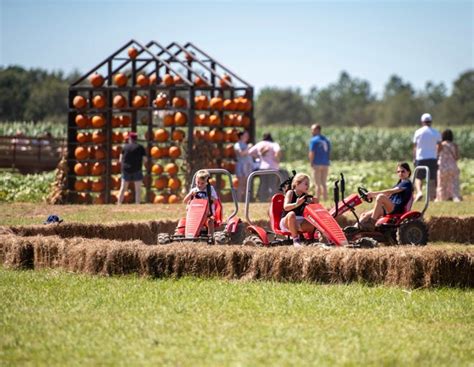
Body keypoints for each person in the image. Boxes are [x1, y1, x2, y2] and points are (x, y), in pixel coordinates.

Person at [358, 162, 414, 230]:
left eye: (403, 171)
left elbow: (390, 191)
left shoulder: (406, 183)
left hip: (396, 208)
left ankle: (372, 223)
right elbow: (388, 195)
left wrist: (372, 194)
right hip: (389, 207)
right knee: (364, 215)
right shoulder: (399, 183)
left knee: (380, 197)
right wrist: (371, 196)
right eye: (398, 172)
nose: (400, 173)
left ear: (408, 172)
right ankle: (353, 232)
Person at [280, 173, 319, 247]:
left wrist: (315, 203)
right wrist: (296, 204)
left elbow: (312, 211)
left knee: (315, 221)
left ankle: (317, 238)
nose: (308, 186)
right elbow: (285, 207)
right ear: (297, 183)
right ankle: (296, 240)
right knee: (292, 214)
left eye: (308, 184)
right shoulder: (290, 193)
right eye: (306, 184)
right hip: (287, 221)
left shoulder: (306, 196)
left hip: (300, 222)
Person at [413, 113, 441, 202]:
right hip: (432, 157)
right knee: (432, 178)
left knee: (419, 177)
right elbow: (440, 146)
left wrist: (414, 157)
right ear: (431, 122)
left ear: (422, 122)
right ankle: (430, 196)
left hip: (420, 157)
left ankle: (419, 192)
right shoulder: (436, 132)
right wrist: (437, 154)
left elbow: (415, 147)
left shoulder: (418, 132)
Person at [183, 169, 220, 235]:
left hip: (208, 214)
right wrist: (191, 194)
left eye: (202, 183)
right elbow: (185, 201)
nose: (199, 185)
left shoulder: (210, 189)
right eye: (198, 182)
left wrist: (209, 196)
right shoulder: (194, 190)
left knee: (210, 221)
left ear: (207, 182)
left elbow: (216, 201)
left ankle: (210, 237)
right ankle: (184, 234)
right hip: (195, 214)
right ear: (195, 181)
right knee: (183, 221)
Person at [248, 133, 281, 201]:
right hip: (273, 167)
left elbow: (250, 152)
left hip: (262, 167)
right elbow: (277, 151)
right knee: (272, 185)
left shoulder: (260, 144)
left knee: (263, 184)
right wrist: (277, 159)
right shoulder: (274, 144)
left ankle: (262, 199)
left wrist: (258, 156)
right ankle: (273, 200)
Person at [117, 132, 147, 204]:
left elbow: (120, 160)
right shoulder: (140, 147)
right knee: (138, 189)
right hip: (137, 169)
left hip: (126, 169)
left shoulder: (125, 147)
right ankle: (137, 204)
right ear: (136, 139)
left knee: (123, 188)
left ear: (130, 139)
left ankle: (119, 203)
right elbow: (145, 160)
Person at [436, 129, 462, 202]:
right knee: (454, 183)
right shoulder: (454, 145)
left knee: (441, 184)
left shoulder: (441, 145)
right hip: (453, 166)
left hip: (442, 167)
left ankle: (441, 198)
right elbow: (457, 157)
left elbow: (437, 154)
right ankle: (455, 197)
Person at [308, 123, 331, 201]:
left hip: (317, 164)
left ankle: (317, 199)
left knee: (317, 183)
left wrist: (311, 162)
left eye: (313, 130)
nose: (311, 131)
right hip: (325, 163)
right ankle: (325, 199)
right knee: (324, 183)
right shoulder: (326, 140)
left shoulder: (314, 140)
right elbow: (328, 152)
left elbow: (312, 152)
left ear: (317, 130)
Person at [234, 130, 254, 202]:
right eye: (246, 135)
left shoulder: (245, 144)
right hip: (241, 167)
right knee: (241, 184)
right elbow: (241, 154)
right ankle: (239, 200)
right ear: (241, 136)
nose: (247, 137)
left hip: (248, 167)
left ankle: (246, 201)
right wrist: (248, 148)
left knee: (246, 184)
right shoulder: (237, 144)